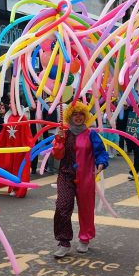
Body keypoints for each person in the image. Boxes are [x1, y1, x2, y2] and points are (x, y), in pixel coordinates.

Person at [51, 102, 109, 256]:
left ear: (85, 116)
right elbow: (57, 155)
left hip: (85, 177)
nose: (78, 117)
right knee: (62, 206)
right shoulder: (64, 133)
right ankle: (64, 242)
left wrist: (101, 164)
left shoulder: (91, 134)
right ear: (70, 116)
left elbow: (101, 153)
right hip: (65, 175)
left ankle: (85, 238)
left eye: (81, 114)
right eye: (75, 114)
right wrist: (59, 140)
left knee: (86, 209)